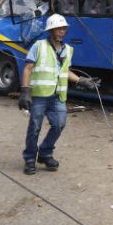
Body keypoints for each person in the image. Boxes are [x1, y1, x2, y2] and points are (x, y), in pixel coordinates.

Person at [18, 14, 98, 175]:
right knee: (34, 128)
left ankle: (45, 153)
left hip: (57, 96)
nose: (62, 32)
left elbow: (65, 71)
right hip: (39, 95)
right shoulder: (39, 46)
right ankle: (29, 159)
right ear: (51, 30)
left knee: (60, 124)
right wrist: (25, 91)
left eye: (63, 29)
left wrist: (82, 80)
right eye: (58, 29)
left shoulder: (68, 50)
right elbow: (28, 68)